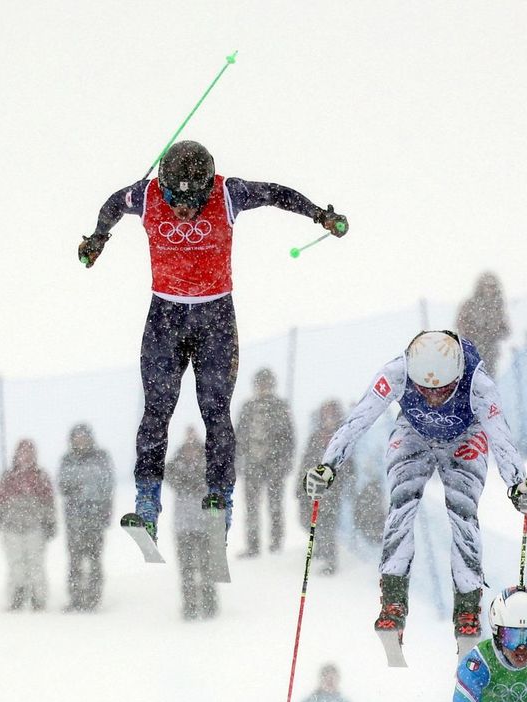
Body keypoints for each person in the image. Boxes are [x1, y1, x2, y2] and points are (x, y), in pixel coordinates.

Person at [78, 140, 348, 543]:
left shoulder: (227, 193)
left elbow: (275, 194)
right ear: (164, 189)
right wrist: (98, 238)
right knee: (157, 412)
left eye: (193, 204)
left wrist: (318, 215)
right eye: (176, 203)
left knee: (215, 411)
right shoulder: (148, 194)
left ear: (207, 191)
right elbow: (113, 204)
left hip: (214, 319)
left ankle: (220, 498)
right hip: (165, 318)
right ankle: (148, 500)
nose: (184, 213)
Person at [304, 330, 527, 642]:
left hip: (464, 436)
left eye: (443, 390)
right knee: (401, 503)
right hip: (413, 432)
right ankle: (393, 600)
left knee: (463, 512)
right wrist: (328, 465)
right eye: (424, 389)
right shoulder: (396, 372)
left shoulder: (478, 383)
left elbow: (501, 437)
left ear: (457, 376)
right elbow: (359, 419)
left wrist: (518, 485)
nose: (433, 397)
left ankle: (467, 607)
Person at [235, 368, 295, 558]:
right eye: (260, 383)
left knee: (275, 505)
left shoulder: (280, 407)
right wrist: (237, 461)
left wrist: (284, 462)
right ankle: (253, 545)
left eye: (266, 382)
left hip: (274, 464)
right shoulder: (247, 408)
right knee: (251, 507)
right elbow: (238, 437)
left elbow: (289, 437)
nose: (262, 386)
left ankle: (276, 543)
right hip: (252, 464)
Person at [0, 440, 56, 612]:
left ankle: (38, 598)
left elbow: (49, 502)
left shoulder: (40, 476)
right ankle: (16, 597)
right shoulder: (8, 477)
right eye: (22, 453)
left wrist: (51, 523)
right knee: (16, 566)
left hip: (35, 529)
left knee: (36, 565)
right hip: (12, 529)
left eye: (29, 453)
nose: (25, 457)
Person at [58, 423, 115, 611]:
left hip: (95, 519)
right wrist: (79, 486)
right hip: (74, 520)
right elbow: (63, 484)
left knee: (94, 559)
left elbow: (107, 485)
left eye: (83, 437)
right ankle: (75, 598)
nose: (80, 441)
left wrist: (104, 510)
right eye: (77, 437)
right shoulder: (67, 460)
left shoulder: (101, 458)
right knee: (74, 561)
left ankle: (93, 597)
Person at [165, 428, 217, 621]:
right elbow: (169, 475)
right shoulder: (176, 467)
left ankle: (209, 604)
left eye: (194, 448)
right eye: (187, 448)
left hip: (204, 525)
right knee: (186, 569)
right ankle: (190, 605)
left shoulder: (209, 465)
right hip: (183, 527)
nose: (190, 452)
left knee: (205, 567)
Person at [296, 400, 346, 576]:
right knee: (306, 520)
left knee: (327, 524)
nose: (328, 419)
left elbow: (347, 467)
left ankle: (331, 560)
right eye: (325, 415)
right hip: (312, 487)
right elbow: (305, 461)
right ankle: (320, 546)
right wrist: (300, 486)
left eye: (332, 415)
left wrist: (331, 484)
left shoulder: (342, 438)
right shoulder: (315, 436)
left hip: (331, 490)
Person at [455, 272, 510, 377]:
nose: (490, 290)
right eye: (488, 286)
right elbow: (460, 326)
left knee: (488, 382)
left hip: (490, 354)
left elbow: (506, 330)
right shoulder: (470, 304)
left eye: (493, 286)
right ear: (481, 287)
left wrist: (493, 333)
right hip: (471, 353)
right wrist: (476, 333)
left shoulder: (497, 306)